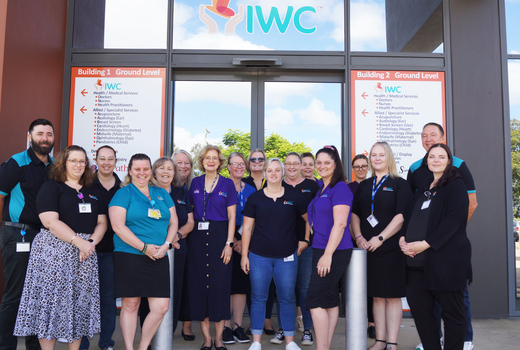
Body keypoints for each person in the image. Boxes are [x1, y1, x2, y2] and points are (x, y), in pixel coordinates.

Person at [14, 145, 107, 349]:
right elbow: (50, 222)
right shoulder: (51, 186)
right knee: (50, 305)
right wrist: (78, 241)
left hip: (85, 254)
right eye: (73, 160)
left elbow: (102, 222)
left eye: (82, 161)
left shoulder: (93, 190)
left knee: (78, 305)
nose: (78, 165)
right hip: (54, 251)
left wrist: (90, 243)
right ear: (64, 162)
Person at [407, 122, 477, 350]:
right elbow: (411, 216)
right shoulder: (425, 187)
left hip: (447, 261)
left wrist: (426, 243)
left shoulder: (456, 185)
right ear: (426, 161)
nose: (436, 160)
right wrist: (403, 239)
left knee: (453, 314)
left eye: (441, 157)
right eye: (432, 157)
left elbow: (453, 221)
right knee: (420, 309)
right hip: (419, 263)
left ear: (448, 161)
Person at [109, 153, 179, 350]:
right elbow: (118, 226)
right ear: (129, 171)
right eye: (137, 169)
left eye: (145, 169)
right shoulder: (123, 193)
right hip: (129, 256)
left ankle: (143, 347)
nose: (142, 173)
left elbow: (174, 221)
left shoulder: (161, 193)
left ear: (151, 171)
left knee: (161, 307)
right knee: (131, 305)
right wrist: (144, 248)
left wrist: (167, 244)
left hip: (159, 256)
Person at [241, 158, 308, 350]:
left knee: (287, 298)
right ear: (265, 172)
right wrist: (244, 255)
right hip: (259, 256)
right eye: (269, 170)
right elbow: (247, 229)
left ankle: (290, 341)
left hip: (287, 256)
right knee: (258, 297)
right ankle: (256, 342)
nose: (273, 173)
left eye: (277, 170)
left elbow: (308, 219)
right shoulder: (256, 198)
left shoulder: (295, 197)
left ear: (283, 172)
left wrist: (305, 241)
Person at [351, 142, 412, 350]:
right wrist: (358, 236)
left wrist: (380, 238)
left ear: (389, 158)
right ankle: (380, 341)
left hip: (391, 249)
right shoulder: (364, 185)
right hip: (367, 249)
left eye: (381, 155)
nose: (377, 158)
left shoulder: (400, 184)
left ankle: (392, 344)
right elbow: (355, 214)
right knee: (376, 296)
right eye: (374, 155)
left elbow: (401, 217)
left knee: (392, 298)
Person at [0, 118, 55, 350]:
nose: (45, 138)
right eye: (40, 133)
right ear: (30, 136)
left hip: (46, 237)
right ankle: (6, 345)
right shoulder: (16, 163)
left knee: (38, 295)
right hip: (18, 235)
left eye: (49, 134)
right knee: (15, 294)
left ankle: (34, 346)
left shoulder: (54, 166)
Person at [186, 145, 237, 350]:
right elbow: (189, 213)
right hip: (197, 238)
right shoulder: (195, 183)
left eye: (215, 158)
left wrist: (229, 243)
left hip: (220, 237)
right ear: (202, 161)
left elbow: (232, 216)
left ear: (220, 162)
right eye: (207, 158)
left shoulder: (227, 184)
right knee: (199, 288)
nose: (211, 161)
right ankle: (206, 339)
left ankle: (219, 338)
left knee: (220, 287)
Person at [138, 157, 195, 339]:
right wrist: (164, 241)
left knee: (173, 292)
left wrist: (175, 237)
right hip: (151, 250)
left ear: (175, 172)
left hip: (178, 249)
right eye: (161, 168)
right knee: (150, 294)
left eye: (170, 168)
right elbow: (142, 222)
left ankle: (167, 336)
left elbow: (190, 222)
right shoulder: (147, 192)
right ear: (154, 172)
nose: (166, 172)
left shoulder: (181, 192)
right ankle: (148, 337)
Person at [305, 145, 353, 350]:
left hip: (333, 251)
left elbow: (341, 223)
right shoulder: (321, 187)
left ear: (335, 165)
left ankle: (321, 348)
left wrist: (327, 255)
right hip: (321, 248)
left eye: (327, 162)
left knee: (313, 300)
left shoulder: (340, 187)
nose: (321, 166)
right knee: (330, 299)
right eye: (319, 162)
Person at [80, 146, 122, 350]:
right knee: (85, 297)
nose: (106, 162)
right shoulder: (85, 184)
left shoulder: (123, 187)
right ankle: (82, 343)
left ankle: (106, 343)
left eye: (111, 159)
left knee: (108, 298)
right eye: (102, 158)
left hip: (113, 251)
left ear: (116, 161)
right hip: (87, 249)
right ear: (96, 160)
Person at [278, 152, 319, 346]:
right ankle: (283, 329)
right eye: (289, 164)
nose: (292, 167)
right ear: (284, 165)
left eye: (296, 164)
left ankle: (308, 330)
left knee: (304, 288)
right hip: (281, 247)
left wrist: (305, 240)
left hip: (306, 246)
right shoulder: (278, 184)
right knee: (284, 289)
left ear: (302, 165)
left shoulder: (312, 186)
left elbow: (315, 217)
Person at [222, 152, 255, 345]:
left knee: (241, 285)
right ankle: (225, 326)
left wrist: (243, 242)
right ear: (228, 167)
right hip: (225, 238)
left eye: (242, 164)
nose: (239, 167)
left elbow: (255, 216)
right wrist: (233, 240)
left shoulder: (250, 189)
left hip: (246, 239)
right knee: (225, 284)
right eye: (235, 164)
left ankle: (237, 326)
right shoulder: (222, 186)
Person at [242, 148, 275, 336]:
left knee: (269, 283)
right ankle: (254, 321)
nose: (256, 162)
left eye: (260, 159)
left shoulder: (271, 181)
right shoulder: (242, 182)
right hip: (247, 238)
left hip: (267, 238)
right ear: (248, 163)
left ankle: (267, 321)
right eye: (252, 159)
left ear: (265, 161)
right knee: (252, 283)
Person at [347, 154, 375, 339]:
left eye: (363, 166)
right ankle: (355, 320)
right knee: (355, 284)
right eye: (356, 167)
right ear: (353, 169)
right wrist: (356, 238)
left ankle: (372, 323)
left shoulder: (375, 184)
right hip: (353, 241)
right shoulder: (347, 188)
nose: (360, 169)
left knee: (372, 283)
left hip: (374, 241)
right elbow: (347, 215)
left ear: (368, 167)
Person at [172, 149, 196, 340]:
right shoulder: (164, 188)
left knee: (188, 283)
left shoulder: (192, 185)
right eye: (179, 162)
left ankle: (186, 325)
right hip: (171, 244)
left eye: (187, 162)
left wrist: (178, 235)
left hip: (191, 241)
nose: (183, 166)